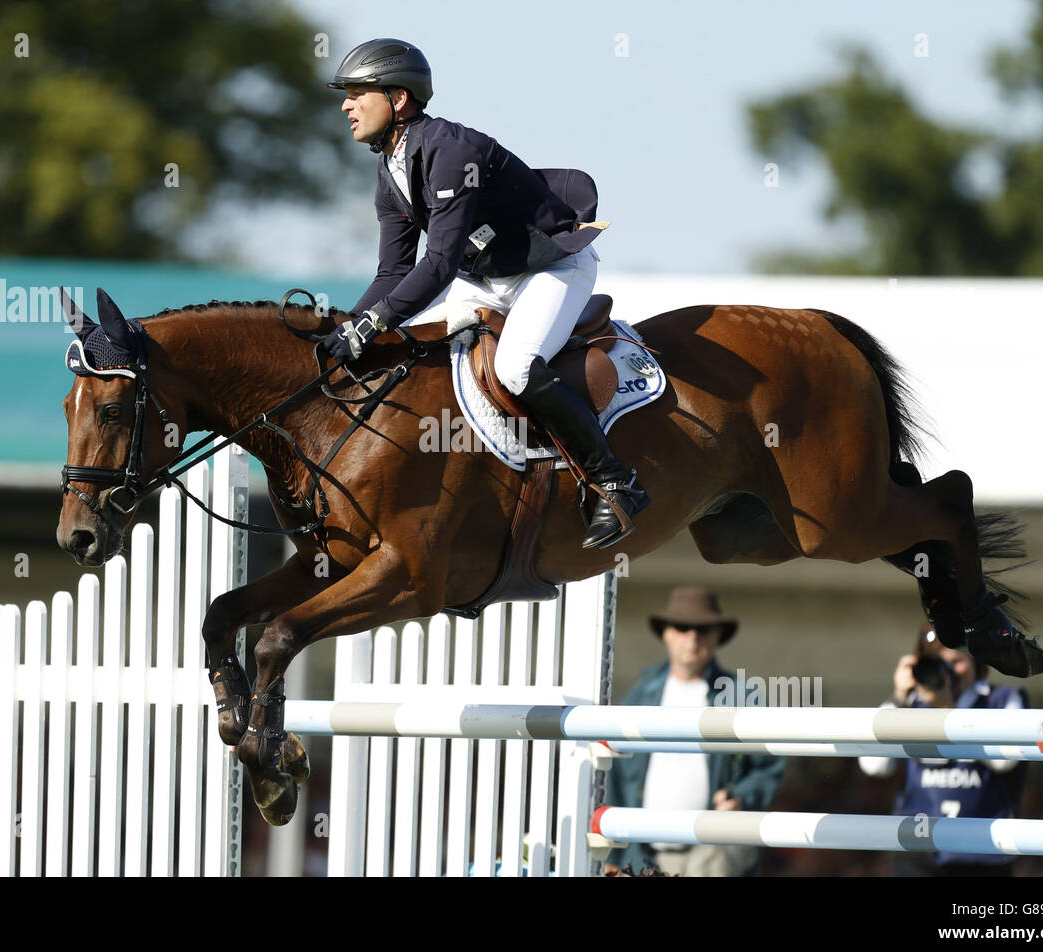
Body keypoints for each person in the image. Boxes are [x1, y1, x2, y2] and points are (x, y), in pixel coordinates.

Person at [323, 38, 648, 550]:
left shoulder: (453, 152)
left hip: (552, 266)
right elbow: (392, 272)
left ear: (399, 99)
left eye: (358, 92)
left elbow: (440, 262)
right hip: (487, 278)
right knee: (422, 348)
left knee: (516, 368)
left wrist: (373, 322)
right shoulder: (390, 169)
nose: (346, 104)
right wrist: (347, 324)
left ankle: (614, 483)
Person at [604, 587, 786, 875]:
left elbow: (769, 765)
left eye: (703, 629)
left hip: (713, 852)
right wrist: (612, 854)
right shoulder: (640, 695)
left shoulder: (742, 695)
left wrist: (741, 798)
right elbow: (615, 775)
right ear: (666, 633)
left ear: (717, 636)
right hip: (644, 853)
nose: (692, 636)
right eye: (682, 627)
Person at [858, 622, 1030, 876]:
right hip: (917, 851)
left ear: (976, 661)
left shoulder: (1002, 700)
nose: (948, 671)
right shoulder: (910, 706)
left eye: (956, 661)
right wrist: (897, 699)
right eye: (939, 662)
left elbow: (1003, 761)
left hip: (984, 851)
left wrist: (948, 713)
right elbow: (874, 766)